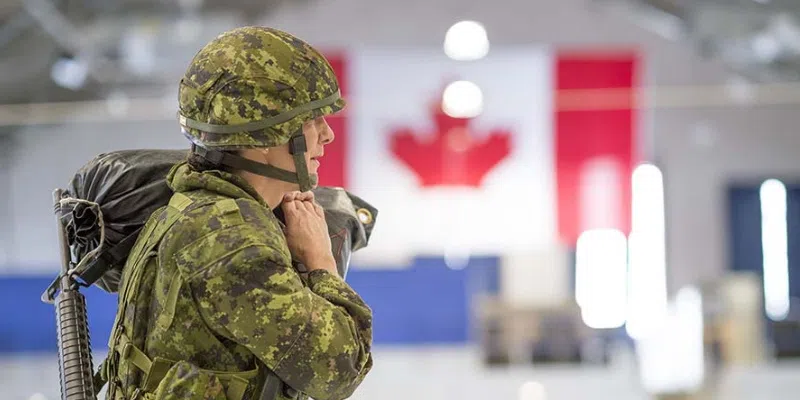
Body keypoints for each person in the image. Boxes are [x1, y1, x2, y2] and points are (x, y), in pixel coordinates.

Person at [99, 26, 373, 400]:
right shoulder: (232, 241)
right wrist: (320, 259)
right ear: (265, 139)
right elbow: (340, 370)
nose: (327, 135)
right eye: (311, 121)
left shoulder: (191, 206)